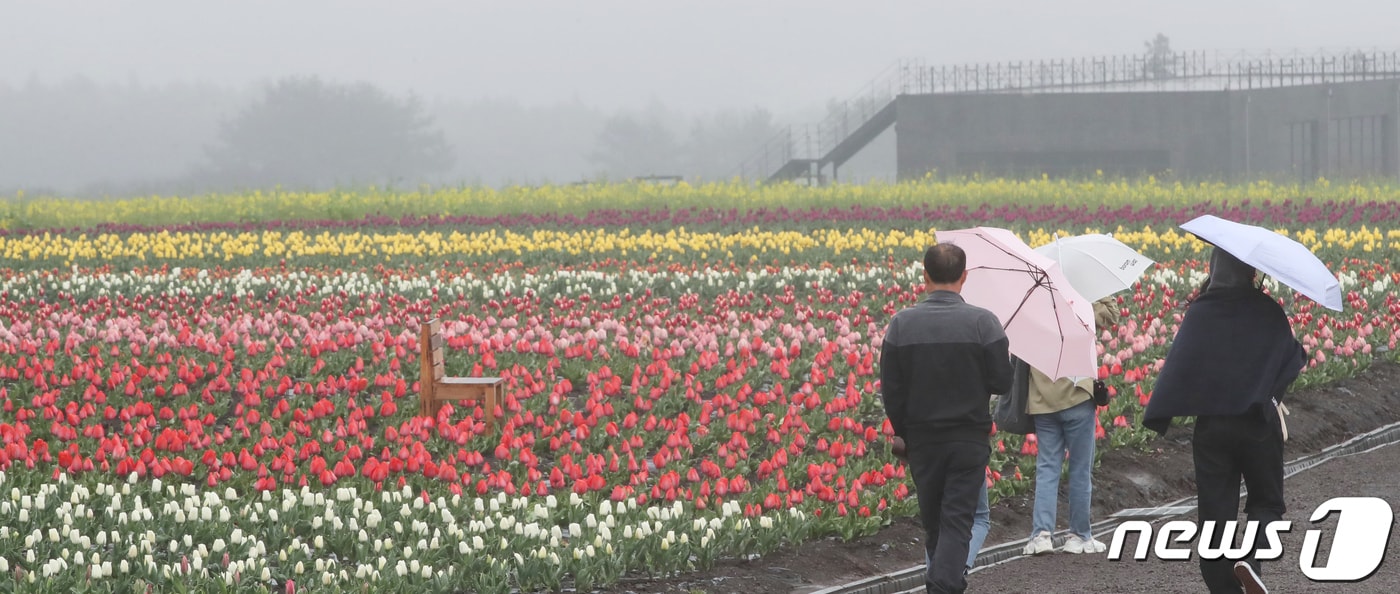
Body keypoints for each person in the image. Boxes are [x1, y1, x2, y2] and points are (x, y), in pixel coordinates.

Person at [1142, 247, 1307, 594]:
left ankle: (1224, 587)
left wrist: (1163, 413)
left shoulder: (1200, 311)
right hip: (1257, 423)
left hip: (1212, 428)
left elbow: (1179, 364)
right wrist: (1270, 393)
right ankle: (1251, 560)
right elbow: (1293, 358)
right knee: (1266, 501)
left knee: (1215, 515)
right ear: (1250, 271)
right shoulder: (1268, 310)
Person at [881, 243, 1014, 594]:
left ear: (924, 276)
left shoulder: (901, 324)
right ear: (964, 276)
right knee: (956, 521)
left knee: (935, 523)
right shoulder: (984, 322)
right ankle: (943, 585)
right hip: (968, 438)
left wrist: (903, 432)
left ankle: (941, 584)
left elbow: (891, 390)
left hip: (922, 440)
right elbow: (1003, 382)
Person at [1022, 297, 1120, 556]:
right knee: (1079, 469)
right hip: (1077, 398)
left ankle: (1041, 535)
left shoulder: (1032, 304)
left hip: (1043, 400)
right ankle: (1078, 535)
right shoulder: (1081, 304)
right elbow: (1112, 314)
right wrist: (1095, 291)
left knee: (1047, 468)